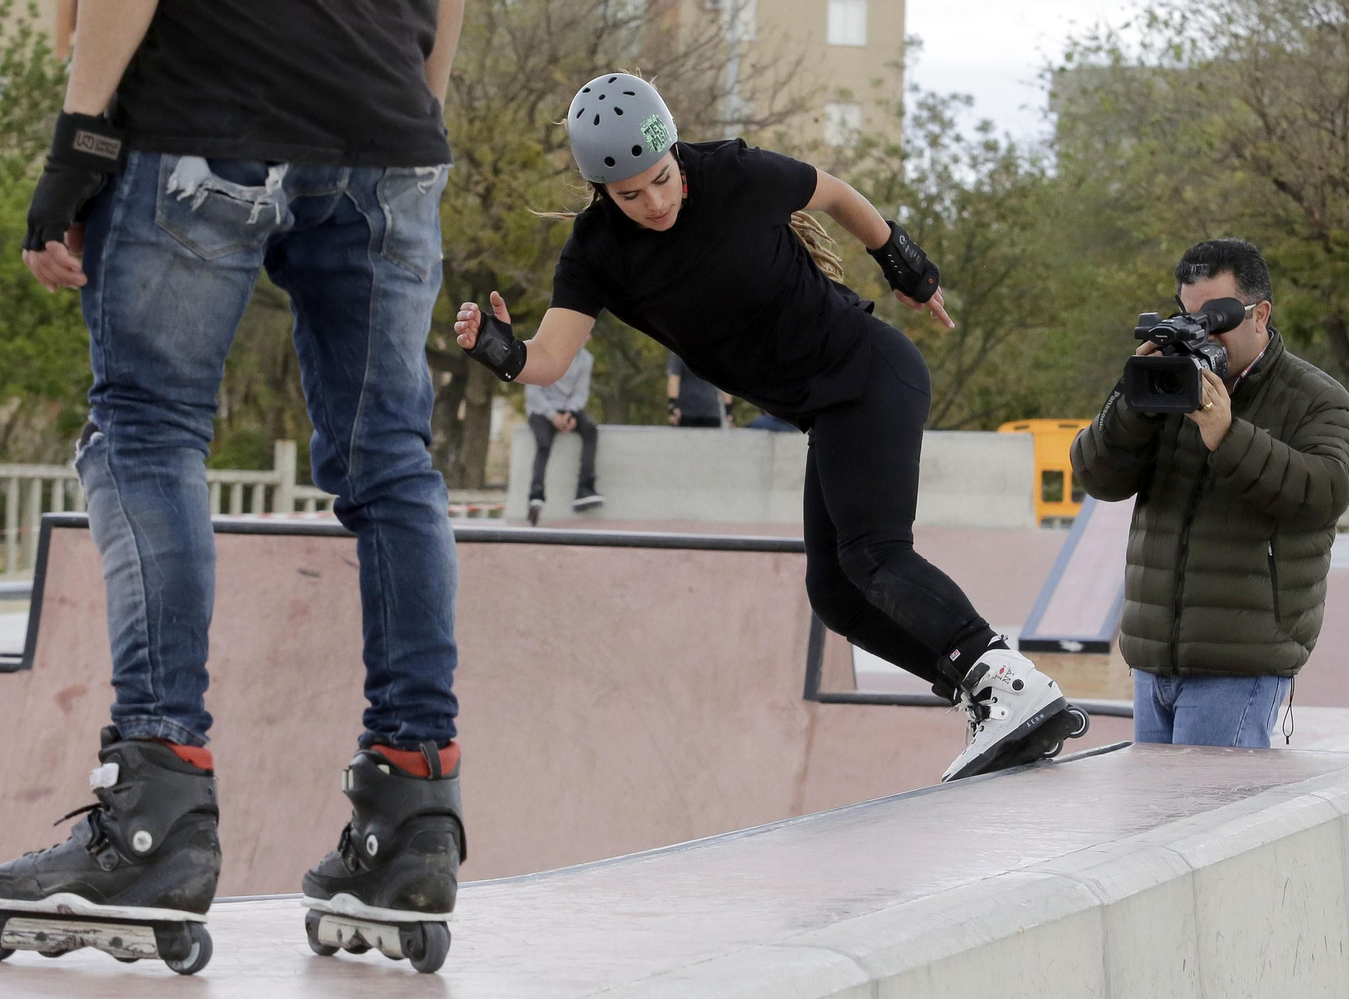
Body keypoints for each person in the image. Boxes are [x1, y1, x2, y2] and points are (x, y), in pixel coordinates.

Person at [0, 0, 468, 973]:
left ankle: (157, 808)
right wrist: (412, 113)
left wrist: (77, 138)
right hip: (386, 128)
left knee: (147, 435)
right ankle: (413, 810)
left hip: (209, 111)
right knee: (393, 464)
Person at [454, 73, 1088, 782]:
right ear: (602, 191)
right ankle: (981, 690)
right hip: (827, 410)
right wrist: (501, 353)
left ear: (674, 155)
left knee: (874, 553)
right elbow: (550, 357)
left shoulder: (732, 173)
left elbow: (837, 193)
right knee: (838, 594)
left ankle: (1007, 679)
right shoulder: (597, 251)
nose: (655, 202)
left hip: (870, 373)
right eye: (631, 194)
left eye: (661, 179)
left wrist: (904, 263)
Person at [1072, 238, 1349, 748]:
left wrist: (1228, 435)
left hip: (1241, 661)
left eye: (1215, 318)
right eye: (1188, 315)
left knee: (1205, 820)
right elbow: (1097, 477)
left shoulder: (1317, 398)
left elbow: (1324, 494)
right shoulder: (1168, 382)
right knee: (1160, 823)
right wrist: (1135, 401)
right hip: (1155, 658)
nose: (1201, 333)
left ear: (1260, 314)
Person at [525, 346, 603, 524]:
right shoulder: (541, 351)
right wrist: (553, 416)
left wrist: (570, 413)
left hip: (567, 408)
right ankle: (536, 496)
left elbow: (581, 392)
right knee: (543, 444)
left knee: (590, 429)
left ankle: (585, 487)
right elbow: (533, 393)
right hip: (541, 410)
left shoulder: (585, 359)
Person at [668, 352, 734, 427]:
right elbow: (724, 383)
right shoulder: (715, 352)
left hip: (686, 410)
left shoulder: (680, 350)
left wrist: (672, 407)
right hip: (711, 409)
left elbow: (674, 379)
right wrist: (728, 411)